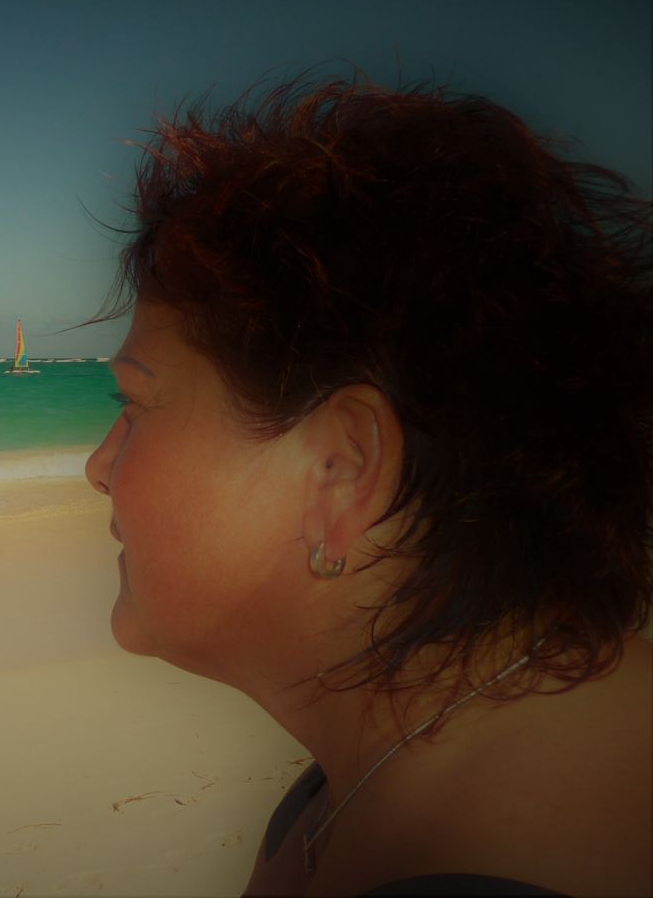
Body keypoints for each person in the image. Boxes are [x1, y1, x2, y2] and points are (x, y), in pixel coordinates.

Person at [82, 65, 652, 897]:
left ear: (340, 470)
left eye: (133, 404)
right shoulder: (387, 767)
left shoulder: (473, 859)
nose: (98, 467)